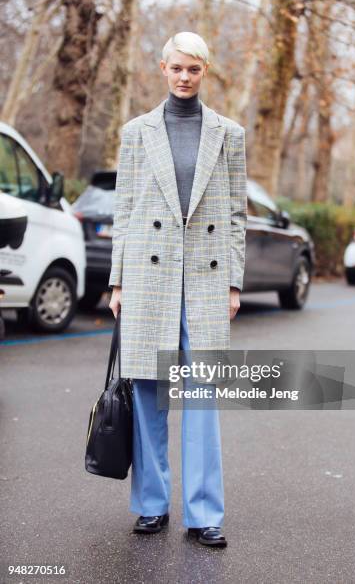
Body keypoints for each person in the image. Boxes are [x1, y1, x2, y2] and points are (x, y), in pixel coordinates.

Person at [108, 31, 247, 548]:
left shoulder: (228, 134)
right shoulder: (136, 133)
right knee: (146, 392)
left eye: (194, 68)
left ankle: (204, 513)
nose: (184, 77)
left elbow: (235, 216)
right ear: (162, 68)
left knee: (203, 397)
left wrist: (234, 280)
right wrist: (117, 279)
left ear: (204, 71)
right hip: (149, 277)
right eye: (176, 68)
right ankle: (150, 505)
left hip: (207, 282)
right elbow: (123, 211)